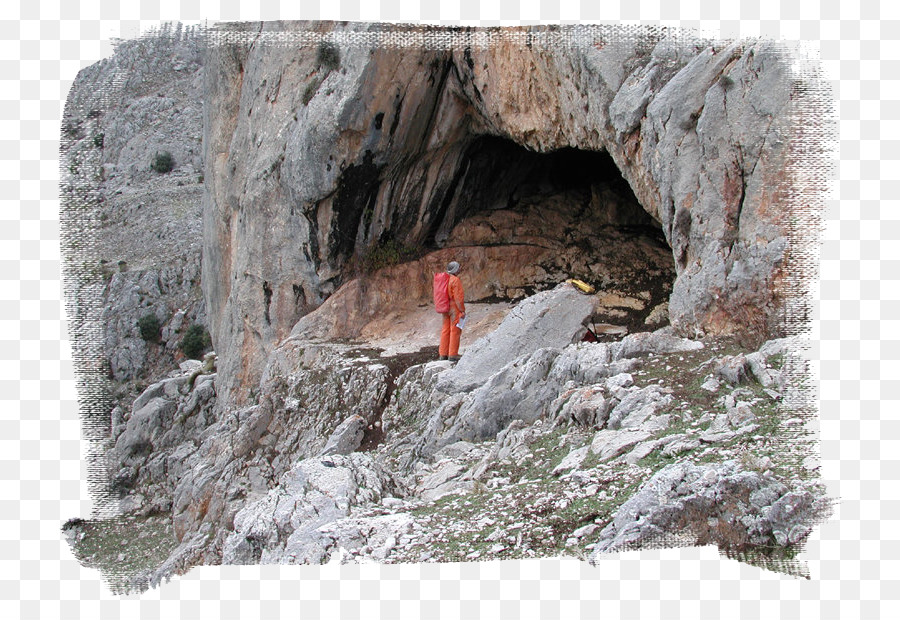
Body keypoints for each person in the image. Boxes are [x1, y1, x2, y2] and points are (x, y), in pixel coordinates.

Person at [439, 261, 466, 361]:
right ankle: (453, 354)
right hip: (454, 307)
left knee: (445, 330)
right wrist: (462, 310)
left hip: (444, 306)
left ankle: (443, 354)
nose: (460, 269)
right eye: (458, 268)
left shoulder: (443, 279)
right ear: (455, 269)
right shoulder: (455, 280)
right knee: (455, 330)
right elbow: (459, 298)